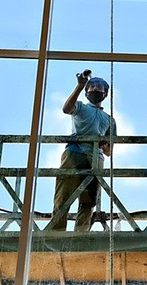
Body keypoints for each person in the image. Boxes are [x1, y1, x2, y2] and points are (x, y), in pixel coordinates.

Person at [46, 71, 116, 232]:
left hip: (96, 158)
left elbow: (108, 151)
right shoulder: (81, 108)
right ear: (86, 92)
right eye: (91, 87)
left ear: (105, 94)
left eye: (99, 87)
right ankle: (56, 234)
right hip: (74, 153)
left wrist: (103, 143)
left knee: (89, 201)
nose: (95, 89)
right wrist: (79, 86)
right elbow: (66, 108)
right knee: (63, 197)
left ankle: (80, 236)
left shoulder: (109, 120)